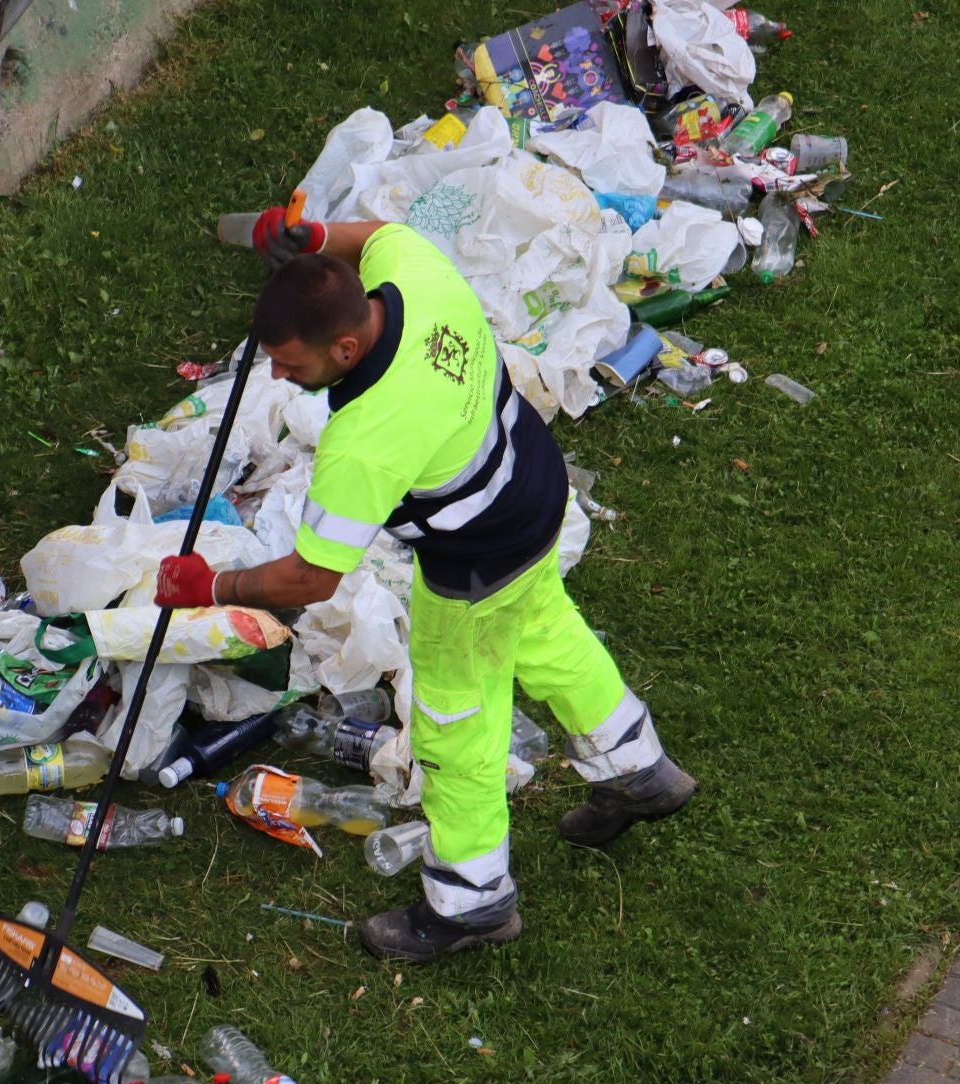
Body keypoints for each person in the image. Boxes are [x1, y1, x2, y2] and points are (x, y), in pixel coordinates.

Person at [154, 209, 696, 963]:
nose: (276, 377)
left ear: (345, 347)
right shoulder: (415, 273)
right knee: (546, 627)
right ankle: (638, 768)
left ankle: (471, 903)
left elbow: (313, 577)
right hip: (533, 487)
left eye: (291, 366)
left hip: (476, 563)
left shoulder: (367, 439)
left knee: (453, 727)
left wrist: (211, 585)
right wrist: (311, 238)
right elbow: (373, 231)